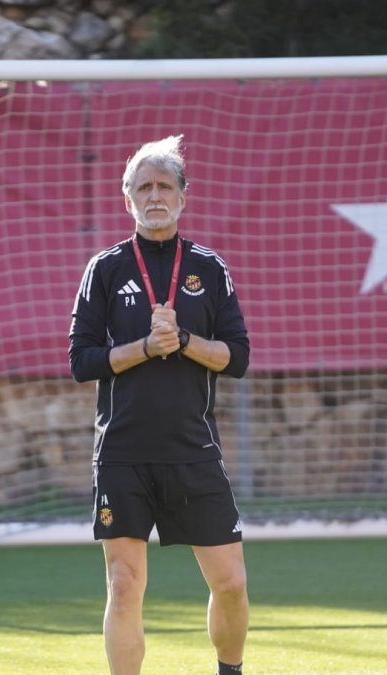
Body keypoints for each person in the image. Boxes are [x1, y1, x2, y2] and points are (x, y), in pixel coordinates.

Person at [69, 136, 251, 675]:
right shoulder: (104, 268)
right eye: (143, 186)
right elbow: (82, 361)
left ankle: (230, 670)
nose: (154, 195)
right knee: (124, 586)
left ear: (183, 196)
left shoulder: (209, 267)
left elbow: (237, 356)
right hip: (123, 452)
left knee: (233, 583)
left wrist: (186, 341)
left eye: (164, 185)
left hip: (192, 451)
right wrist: (145, 348)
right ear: (126, 199)